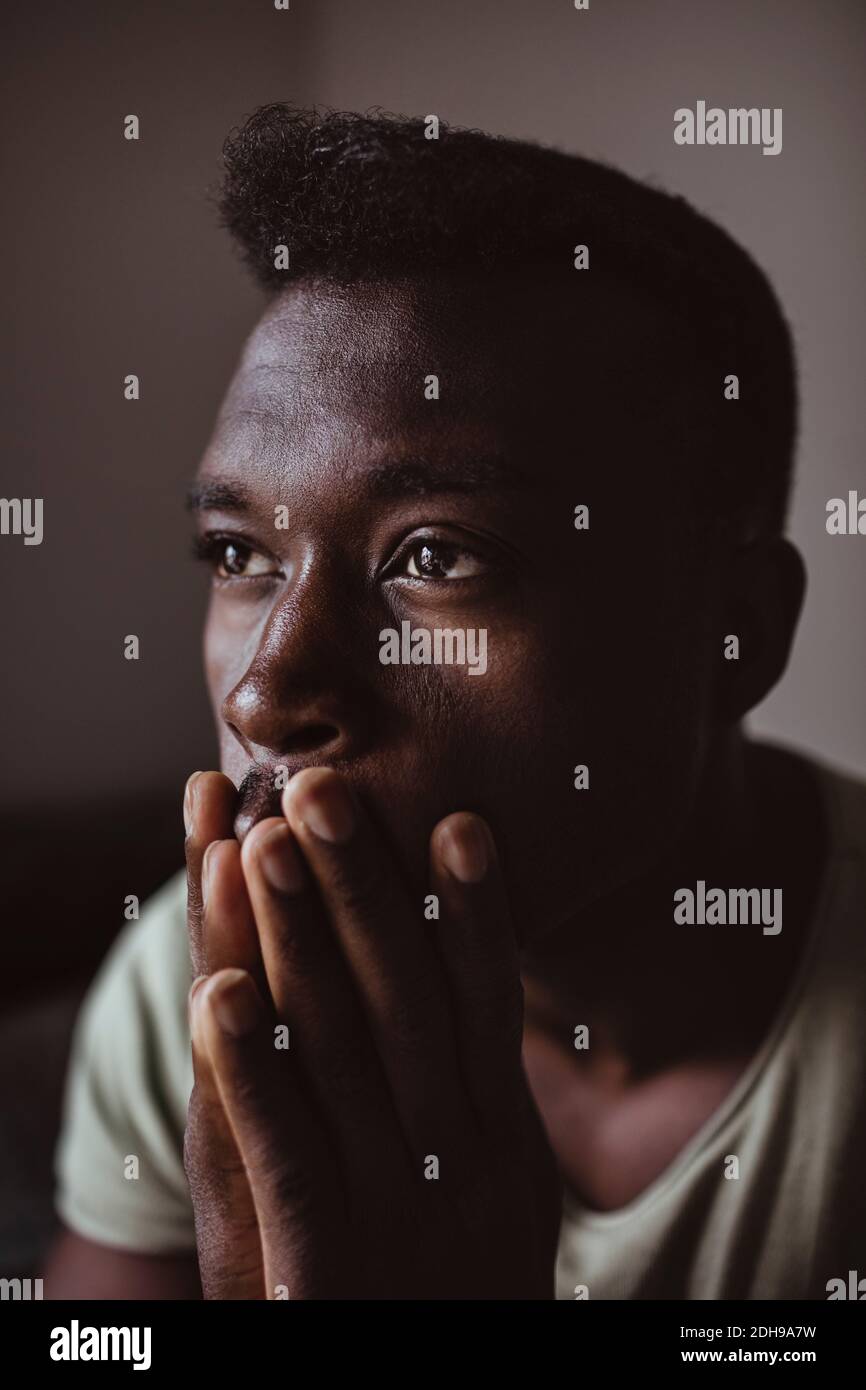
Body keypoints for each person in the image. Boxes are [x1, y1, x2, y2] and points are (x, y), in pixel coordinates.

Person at [44, 105, 866, 1299]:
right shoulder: (192, 986)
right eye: (239, 555)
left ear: (736, 629)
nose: (268, 693)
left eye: (433, 556)